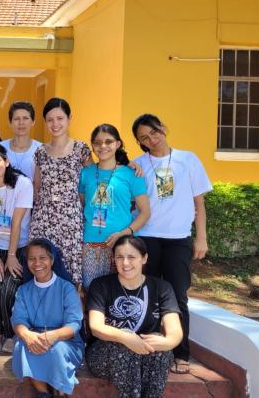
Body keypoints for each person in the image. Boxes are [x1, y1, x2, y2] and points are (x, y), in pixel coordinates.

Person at [131, 114, 211, 374]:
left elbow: (199, 203)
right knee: (148, 295)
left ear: (162, 128)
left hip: (178, 239)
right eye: (144, 138)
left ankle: (180, 352)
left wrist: (201, 237)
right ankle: (149, 350)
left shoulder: (188, 159)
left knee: (178, 296)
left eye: (153, 132)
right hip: (148, 237)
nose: (151, 140)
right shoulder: (138, 165)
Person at [87, 235, 183, 397]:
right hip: (105, 354)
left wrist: (166, 342)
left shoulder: (162, 288)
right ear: (113, 259)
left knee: (161, 350)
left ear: (144, 258)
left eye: (131, 257)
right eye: (119, 257)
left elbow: (175, 332)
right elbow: (96, 328)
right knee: (124, 348)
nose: (125, 263)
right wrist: (126, 338)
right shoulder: (100, 285)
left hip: (146, 352)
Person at [29, 98, 93, 286]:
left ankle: (72, 314)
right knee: (42, 267)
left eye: (60, 118)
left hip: (71, 220)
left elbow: (94, 180)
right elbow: (37, 186)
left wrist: (126, 163)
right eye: (50, 120)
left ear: (69, 119)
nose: (55, 124)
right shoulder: (41, 151)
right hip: (43, 219)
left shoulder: (81, 149)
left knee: (70, 271)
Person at [79, 124, 150, 289]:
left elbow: (145, 213)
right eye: (97, 142)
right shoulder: (85, 173)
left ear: (118, 144)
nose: (103, 146)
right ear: (92, 146)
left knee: (120, 291)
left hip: (123, 244)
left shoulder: (132, 174)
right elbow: (82, 205)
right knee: (92, 290)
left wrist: (123, 233)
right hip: (90, 244)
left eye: (108, 141)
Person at [11, 238, 84, 397]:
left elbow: (73, 324)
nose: (37, 263)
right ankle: (43, 393)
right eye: (32, 259)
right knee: (22, 346)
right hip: (34, 337)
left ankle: (61, 392)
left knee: (56, 350)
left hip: (65, 340)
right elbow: (18, 319)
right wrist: (28, 335)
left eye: (42, 258)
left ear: (52, 260)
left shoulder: (67, 289)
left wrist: (52, 336)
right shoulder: (23, 291)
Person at [0, 142, 33, 354]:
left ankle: (11, 332)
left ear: (6, 161)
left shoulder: (22, 184)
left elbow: (17, 223)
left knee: (9, 290)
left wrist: (11, 256)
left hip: (19, 246)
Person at [0, 101, 42, 180]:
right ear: (10, 122)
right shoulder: (0, 148)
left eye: (25, 118)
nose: (21, 123)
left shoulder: (41, 149)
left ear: (33, 122)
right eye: (16, 119)